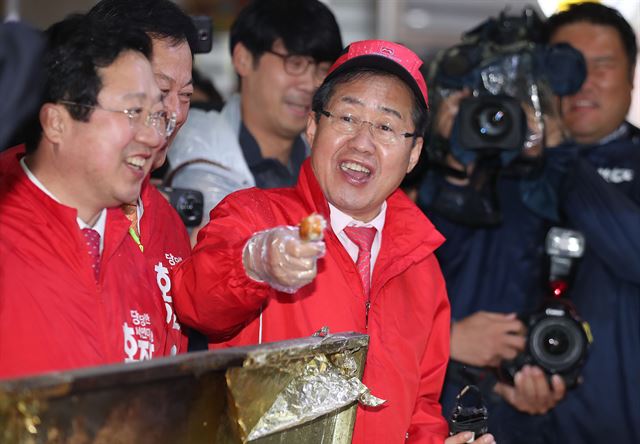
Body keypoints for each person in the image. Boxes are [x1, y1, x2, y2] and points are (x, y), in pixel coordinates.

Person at [171, 39, 494, 444]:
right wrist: (255, 263)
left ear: (413, 154)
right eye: (346, 117)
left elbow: (422, 410)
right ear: (312, 126)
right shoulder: (253, 217)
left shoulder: (421, 265)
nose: (361, 142)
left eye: (386, 126)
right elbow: (197, 306)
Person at [415, 9, 573, 443]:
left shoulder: (557, 189)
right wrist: (451, 156)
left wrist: (542, 372)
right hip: (434, 409)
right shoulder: (423, 189)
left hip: (517, 419)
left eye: (526, 93)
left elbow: (576, 306)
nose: (499, 116)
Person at [0, 13, 177, 378]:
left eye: (156, 116)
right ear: (57, 122)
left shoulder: (137, 253)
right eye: (133, 112)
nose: (154, 137)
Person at [541, 3, 640, 442]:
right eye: (566, 66)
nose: (582, 81)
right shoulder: (507, 170)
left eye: (601, 65)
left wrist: (561, 155)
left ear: (631, 75)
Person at [167, 0, 343, 244]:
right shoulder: (181, 147)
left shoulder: (331, 165)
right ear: (243, 59)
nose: (310, 84)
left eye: (322, 70)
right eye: (295, 64)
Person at [86, 0, 199, 353]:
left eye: (186, 96)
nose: (176, 114)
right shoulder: (17, 192)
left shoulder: (168, 222)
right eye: (162, 92)